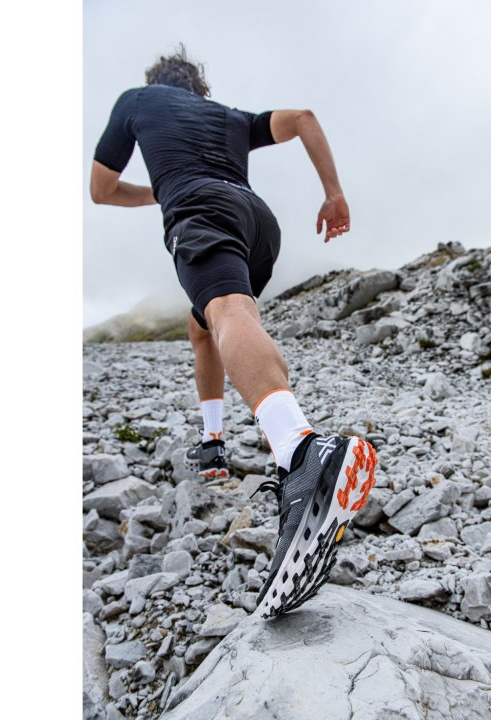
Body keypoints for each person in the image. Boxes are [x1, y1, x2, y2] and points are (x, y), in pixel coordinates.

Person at [90, 46, 377, 618]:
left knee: (222, 311)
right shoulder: (226, 115)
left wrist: (158, 190)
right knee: (207, 324)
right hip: (257, 222)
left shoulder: (138, 101)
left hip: (200, 208)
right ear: (198, 87)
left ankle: (300, 451)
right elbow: (303, 119)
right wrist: (333, 192)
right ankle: (214, 441)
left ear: (157, 81)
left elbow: (101, 188)